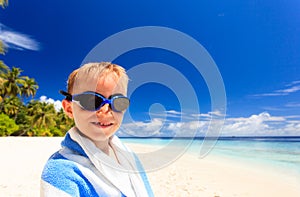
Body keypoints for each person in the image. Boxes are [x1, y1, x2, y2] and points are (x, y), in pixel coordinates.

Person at [40, 62, 154, 197]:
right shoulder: (62, 171)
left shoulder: (129, 157)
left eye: (118, 102)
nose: (106, 110)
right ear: (69, 109)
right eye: (92, 100)